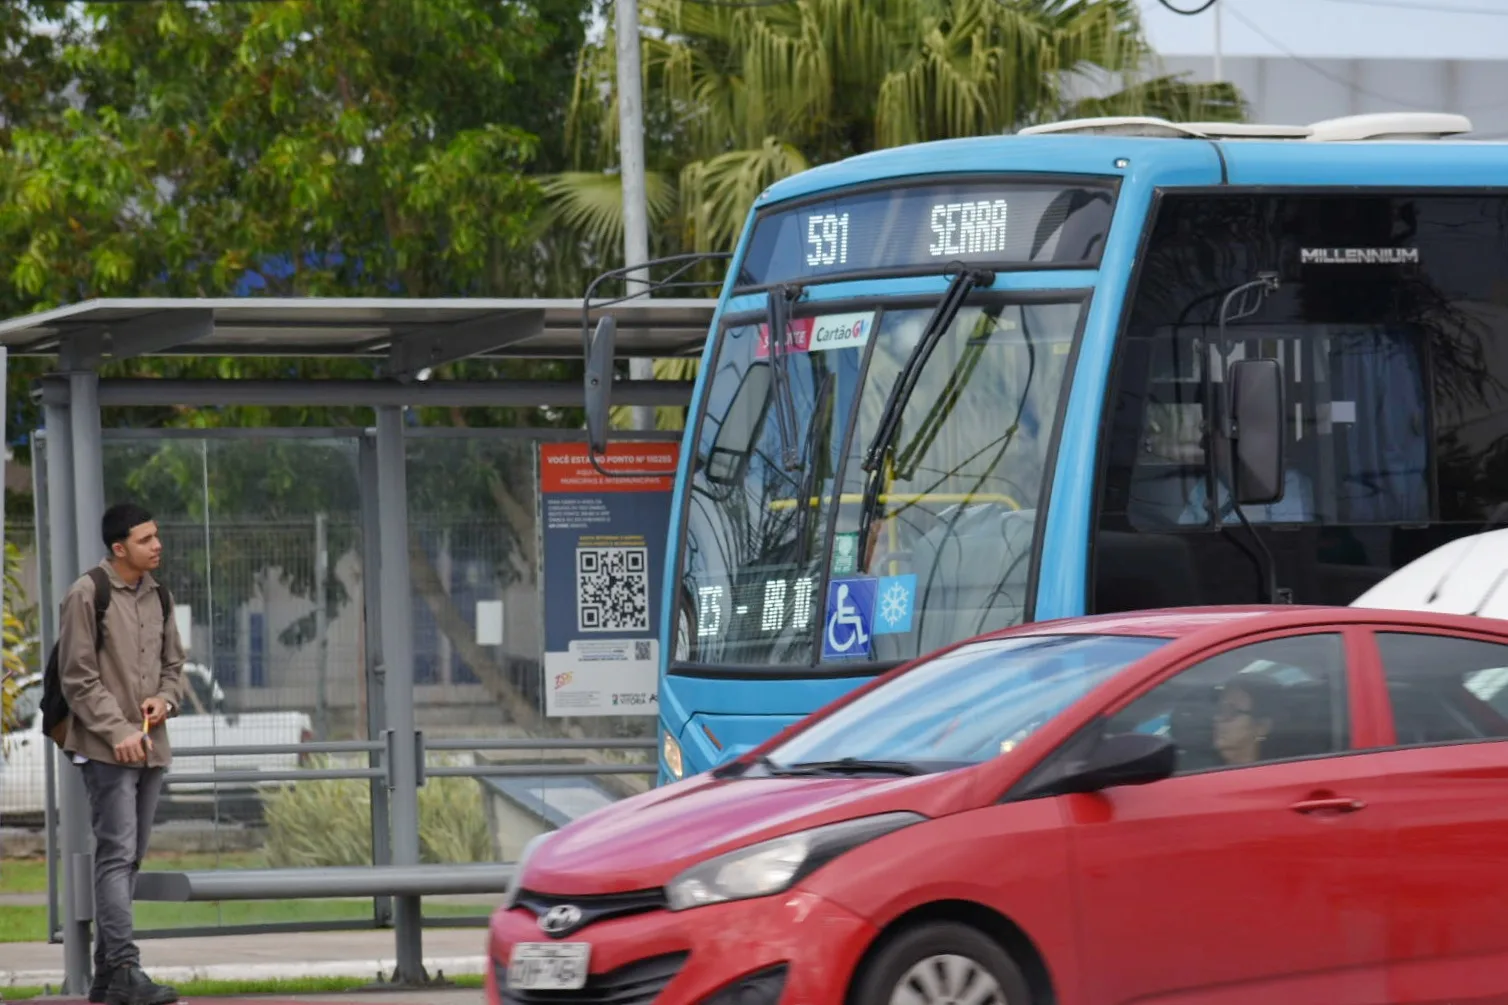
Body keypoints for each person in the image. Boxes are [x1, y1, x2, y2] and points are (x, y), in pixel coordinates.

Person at [58, 503, 185, 1005]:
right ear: (118, 548)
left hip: (151, 746)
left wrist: (166, 698)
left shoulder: (162, 595)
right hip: (106, 749)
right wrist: (118, 730)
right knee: (115, 854)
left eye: (157, 535)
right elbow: (77, 678)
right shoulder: (87, 592)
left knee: (128, 858)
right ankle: (126, 969)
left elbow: (174, 664)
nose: (157, 545)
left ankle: (108, 978)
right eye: (146, 539)